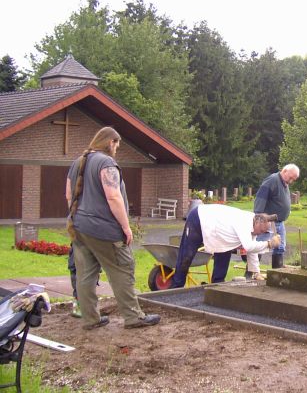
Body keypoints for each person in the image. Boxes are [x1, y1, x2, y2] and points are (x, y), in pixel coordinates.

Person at [66, 127, 160, 330]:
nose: (117, 148)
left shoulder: (77, 162)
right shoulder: (106, 163)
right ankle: (134, 317)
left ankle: (91, 319)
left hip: (79, 227)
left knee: (86, 274)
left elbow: (68, 196)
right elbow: (113, 196)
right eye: (117, 144)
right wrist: (126, 227)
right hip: (104, 229)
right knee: (123, 268)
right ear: (110, 142)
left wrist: (80, 218)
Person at [172, 204, 280, 287]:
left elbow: (252, 251)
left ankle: (217, 285)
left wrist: (256, 272)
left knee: (225, 250)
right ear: (258, 223)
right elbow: (248, 246)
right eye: (261, 230)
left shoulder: (254, 223)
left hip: (219, 231)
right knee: (187, 255)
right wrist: (269, 244)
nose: (261, 234)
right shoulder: (244, 222)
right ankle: (176, 288)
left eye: (264, 232)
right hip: (199, 218)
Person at [253, 164, 299, 269]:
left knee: (280, 247)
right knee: (259, 246)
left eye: (293, 179)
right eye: (290, 177)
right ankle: (252, 273)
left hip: (279, 222)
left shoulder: (284, 183)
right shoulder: (272, 180)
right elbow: (260, 198)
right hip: (267, 222)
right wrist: (259, 218)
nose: (291, 181)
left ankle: (277, 271)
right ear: (285, 171)